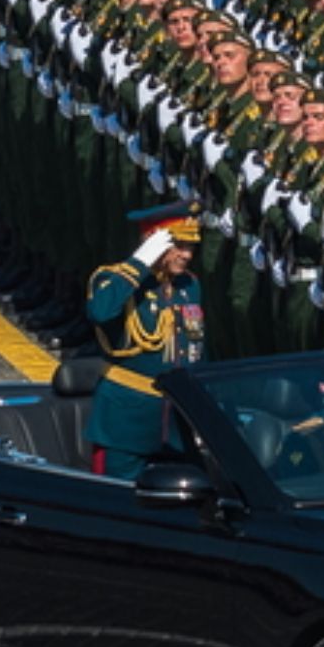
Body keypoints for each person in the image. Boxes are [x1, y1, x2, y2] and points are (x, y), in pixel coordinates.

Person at [86, 203, 207, 480]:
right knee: (116, 500)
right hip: (126, 423)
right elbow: (99, 311)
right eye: (178, 245)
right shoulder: (115, 279)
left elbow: (197, 348)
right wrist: (139, 263)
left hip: (178, 424)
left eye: (190, 246)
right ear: (153, 243)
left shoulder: (189, 286)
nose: (187, 254)